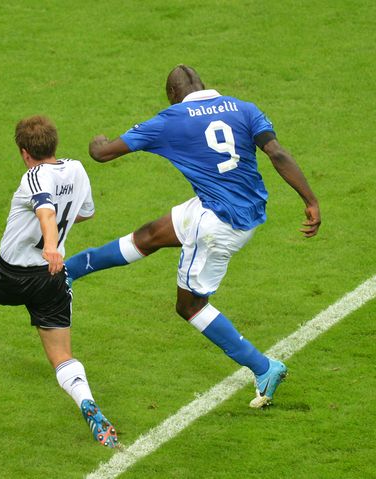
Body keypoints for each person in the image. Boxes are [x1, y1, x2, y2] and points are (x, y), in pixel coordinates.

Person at [65, 65, 321, 408]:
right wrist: (310, 200)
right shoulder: (243, 108)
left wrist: (96, 142)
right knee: (150, 235)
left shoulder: (172, 118)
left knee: (189, 305)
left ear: (172, 95)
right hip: (238, 209)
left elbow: (102, 153)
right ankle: (68, 271)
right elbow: (276, 153)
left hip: (218, 224)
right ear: (203, 83)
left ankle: (264, 367)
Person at [0, 115, 119, 447]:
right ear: (54, 143)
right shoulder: (76, 170)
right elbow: (86, 212)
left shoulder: (33, 176)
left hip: (13, 274)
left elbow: (44, 210)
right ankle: (88, 404)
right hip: (51, 280)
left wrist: (48, 244)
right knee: (62, 358)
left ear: (24, 152)